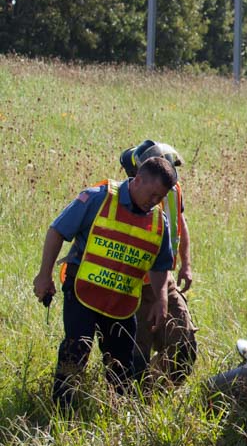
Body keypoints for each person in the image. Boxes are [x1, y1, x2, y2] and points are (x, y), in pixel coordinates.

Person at [33, 157, 177, 407]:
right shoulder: (97, 198)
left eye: (160, 197)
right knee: (76, 350)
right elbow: (57, 231)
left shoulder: (158, 222)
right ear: (138, 180)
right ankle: (61, 411)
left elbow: (160, 265)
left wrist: (161, 299)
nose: (154, 201)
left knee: (122, 363)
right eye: (152, 194)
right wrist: (44, 275)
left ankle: (118, 411)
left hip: (122, 302)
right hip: (83, 292)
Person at [120, 141, 197, 380]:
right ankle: (134, 395)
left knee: (184, 342)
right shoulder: (130, 198)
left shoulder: (174, 191)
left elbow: (180, 223)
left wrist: (186, 265)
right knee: (136, 352)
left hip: (165, 280)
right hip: (135, 285)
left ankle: (161, 389)